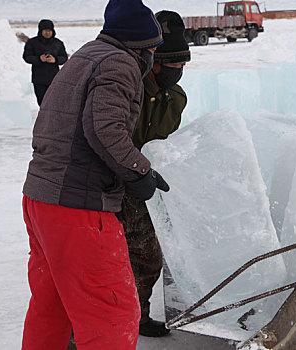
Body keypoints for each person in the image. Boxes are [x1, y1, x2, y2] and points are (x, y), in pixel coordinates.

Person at [21, 0, 169, 349]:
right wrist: (139, 172)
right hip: (79, 208)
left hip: (41, 201)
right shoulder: (120, 63)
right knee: (111, 311)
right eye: (151, 48)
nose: (152, 56)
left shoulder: (87, 54)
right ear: (139, 44)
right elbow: (104, 129)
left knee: (52, 307)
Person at [116, 10, 191, 338]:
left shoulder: (175, 98)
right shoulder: (128, 89)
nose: (180, 72)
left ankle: (139, 318)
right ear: (154, 63)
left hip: (147, 191)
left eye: (184, 65)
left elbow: (169, 143)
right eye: (175, 65)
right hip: (114, 186)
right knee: (109, 266)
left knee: (148, 259)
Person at [22, 19, 68, 106]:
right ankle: (44, 119)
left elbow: (64, 58)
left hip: (54, 79)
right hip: (39, 79)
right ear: (40, 31)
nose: (48, 32)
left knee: (54, 102)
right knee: (42, 103)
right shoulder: (32, 43)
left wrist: (55, 60)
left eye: (50, 30)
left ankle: (54, 119)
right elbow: (27, 57)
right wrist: (39, 59)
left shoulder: (58, 43)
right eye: (45, 30)